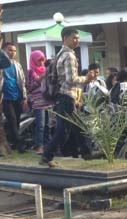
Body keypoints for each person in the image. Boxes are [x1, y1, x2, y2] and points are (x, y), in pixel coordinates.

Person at [40, 27, 96, 167]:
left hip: (62, 96)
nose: (77, 41)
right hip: (66, 96)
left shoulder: (60, 53)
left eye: (78, 38)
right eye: (74, 38)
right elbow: (72, 79)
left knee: (77, 125)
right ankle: (47, 156)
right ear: (65, 38)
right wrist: (86, 78)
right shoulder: (69, 55)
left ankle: (86, 152)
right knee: (62, 130)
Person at [0, 42, 28, 150]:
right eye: (10, 50)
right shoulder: (1, 65)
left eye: (14, 51)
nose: (12, 53)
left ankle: (14, 143)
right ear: (3, 51)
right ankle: (20, 144)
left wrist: (24, 97)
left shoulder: (17, 65)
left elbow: (22, 82)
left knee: (16, 121)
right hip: (5, 98)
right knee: (11, 119)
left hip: (17, 96)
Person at [25, 50, 51, 155]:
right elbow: (30, 87)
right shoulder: (31, 71)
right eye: (39, 60)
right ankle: (39, 146)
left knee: (48, 125)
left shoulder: (44, 69)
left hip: (47, 101)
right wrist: (41, 77)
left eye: (42, 60)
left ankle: (47, 145)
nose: (41, 63)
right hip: (38, 102)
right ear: (33, 60)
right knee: (40, 125)